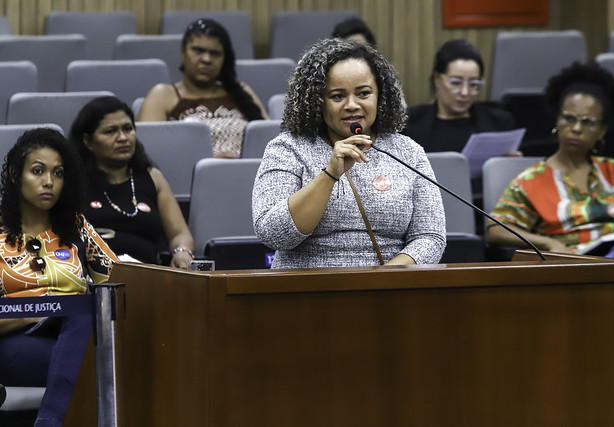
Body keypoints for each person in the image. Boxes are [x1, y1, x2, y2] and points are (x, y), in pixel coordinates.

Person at [252, 38, 446, 269]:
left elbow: (430, 237)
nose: (352, 105)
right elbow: (274, 234)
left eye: (363, 93)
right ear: (317, 101)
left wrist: (382, 279)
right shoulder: (287, 149)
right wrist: (330, 174)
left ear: (380, 96)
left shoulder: (407, 151)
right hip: (305, 293)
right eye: (337, 96)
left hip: (388, 292)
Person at [0, 128, 119, 425]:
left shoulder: (76, 226)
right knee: (93, 348)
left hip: (78, 336)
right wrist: (45, 307)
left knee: (83, 311)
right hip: (16, 342)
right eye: (37, 171)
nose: (49, 182)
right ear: (15, 174)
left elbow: (119, 282)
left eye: (58, 173)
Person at [486, 61, 614, 255]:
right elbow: (495, 230)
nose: (576, 128)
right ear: (557, 119)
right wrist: (548, 243)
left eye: (588, 122)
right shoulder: (532, 180)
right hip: (573, 265)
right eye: (569, 118)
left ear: (602, 130)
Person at [70, 96, 195, 268]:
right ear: (88, 141)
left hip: (148, 276)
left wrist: (181, 251)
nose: (122, 138)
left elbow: (179, 233)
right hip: (90, 275)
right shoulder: (73, 181)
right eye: (110, 131)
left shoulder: (153, 177)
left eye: (128, 129)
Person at [137, 18, 268, 158]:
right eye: (198, 51)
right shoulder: (163, 95)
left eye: (215, 53)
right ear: (183, 52)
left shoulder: (242, 92)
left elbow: (269, 138)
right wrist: (209, 160)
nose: (206, 59)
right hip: (187, 176)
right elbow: (147, 154)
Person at [402, 39, 515, 153]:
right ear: (437, 79)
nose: (465, 92)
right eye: (456, 82)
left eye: (473, 84)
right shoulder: (409, 123)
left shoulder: (499, 123)